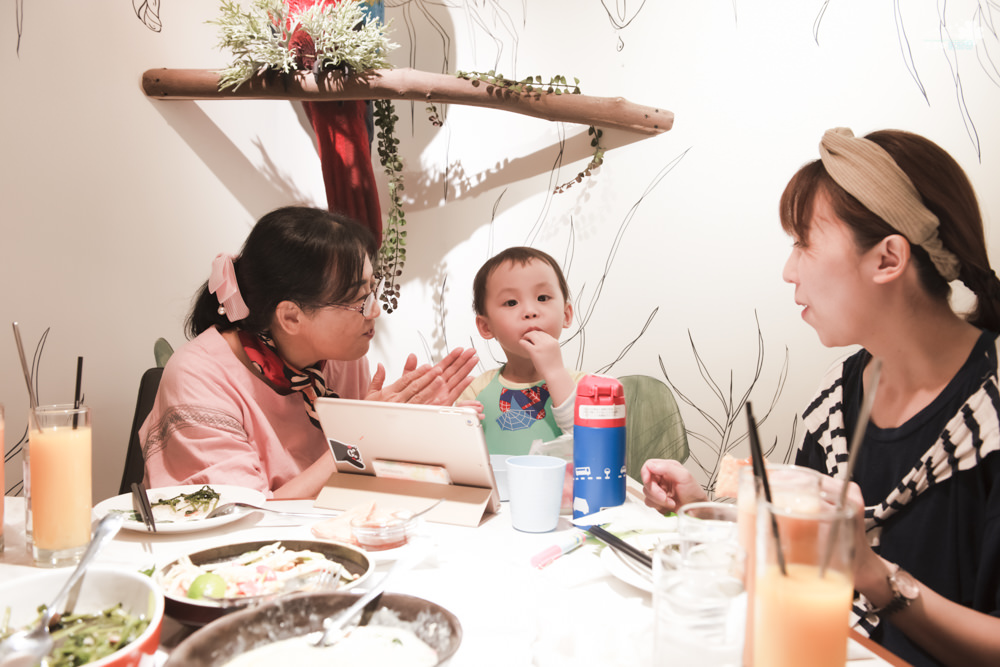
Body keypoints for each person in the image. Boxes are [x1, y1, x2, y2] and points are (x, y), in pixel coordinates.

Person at [641, 128, 1000, 666]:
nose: (789, 271)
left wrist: (875, 577)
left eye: (803, 242)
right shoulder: (838, 395)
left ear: (888, 259)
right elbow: (800, 556)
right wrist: (707, 513)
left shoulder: (989, 416)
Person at [142, 206, 477, 499]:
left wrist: (414, 435)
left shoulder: (343, 360)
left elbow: (352, 479)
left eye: (372, 290)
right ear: (291, 317)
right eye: (358, 300)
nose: (375, 310)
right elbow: (243, 516)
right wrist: (362, 436)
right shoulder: (198, 376)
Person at [457, 247, 587, 455]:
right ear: (486, 327)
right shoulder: (476, 390)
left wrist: (554, 372)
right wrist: (458, 425)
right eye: (511, 302)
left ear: (566, 314)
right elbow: (457, 455)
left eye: (542, 298)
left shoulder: (585, 387)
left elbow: (590, 444)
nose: (530, 311)